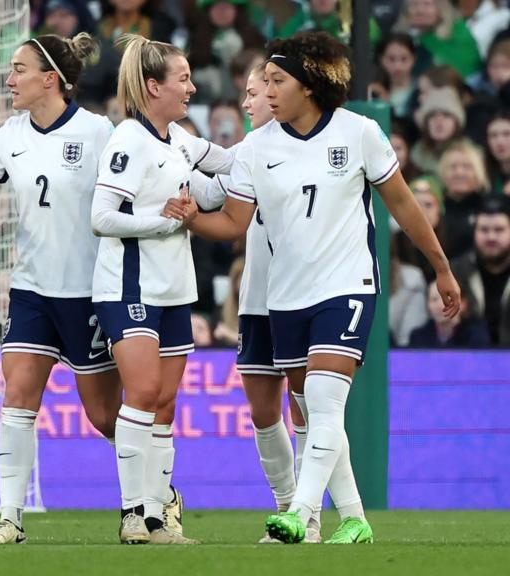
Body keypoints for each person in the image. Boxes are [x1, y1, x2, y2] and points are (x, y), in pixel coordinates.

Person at [167, 31, 460, 544]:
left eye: (278, 81)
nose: (267, 91)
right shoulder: (258, 146)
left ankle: (300, 514)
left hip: (347, 285)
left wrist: (442, 267)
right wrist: (191, 220)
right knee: (310, 413)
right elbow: (235, 222)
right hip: (285, 296)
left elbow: (405, 204)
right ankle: (356, 518)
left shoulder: (360, 132)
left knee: (323, 402)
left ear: (310, 85)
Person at [0, 32, 124, 545]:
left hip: (88, 293)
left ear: (51, 79)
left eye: (19, 69)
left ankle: (151, 502)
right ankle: (10, 517)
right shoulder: (9, 135)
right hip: (32, 291)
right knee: (17, 397)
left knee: (106, 416)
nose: (9, 78)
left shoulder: (98, 132)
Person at [89, 33, 232, 545]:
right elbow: (102, 217)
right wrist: (164, 220)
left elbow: (229, 168)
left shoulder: (181, 140)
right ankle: (132, 514)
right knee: (144, 393)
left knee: (165, 403)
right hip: (130, 285)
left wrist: (276, 150)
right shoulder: (129, 139)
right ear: (154, 86)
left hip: (174, 286)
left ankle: (158, 517)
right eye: (183, 78)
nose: (192, 87)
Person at [187, 61, 320, 542]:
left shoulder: (316, 146)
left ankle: (309, 516)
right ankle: (286, 505)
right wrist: (171, 157)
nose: (245, 102)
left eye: (253, 92)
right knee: (262, 407)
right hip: (257, 294)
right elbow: (210, 194)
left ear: (280, 94)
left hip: (303, 292)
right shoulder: (248, 151)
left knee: (304, 404)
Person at [450, 199, 510, 346]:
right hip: (467, 359)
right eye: (484, 230)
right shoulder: (456, 270)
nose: (491, 237)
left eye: (499, 230)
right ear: (474, 231)